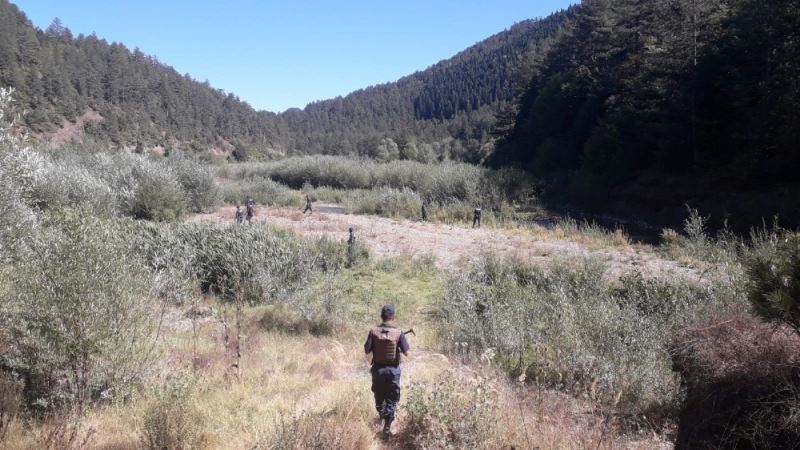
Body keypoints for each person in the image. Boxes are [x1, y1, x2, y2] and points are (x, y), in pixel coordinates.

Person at [364, 305, 410, 437]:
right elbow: (407, 353)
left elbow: (367, 350)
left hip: (378, 370)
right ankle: (387, 427)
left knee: (379, 395)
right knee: (391, 398)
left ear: (381, 317)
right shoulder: (399, 333)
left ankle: (382, 416)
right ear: (393, 318)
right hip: (393, 371)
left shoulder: (373, 332)